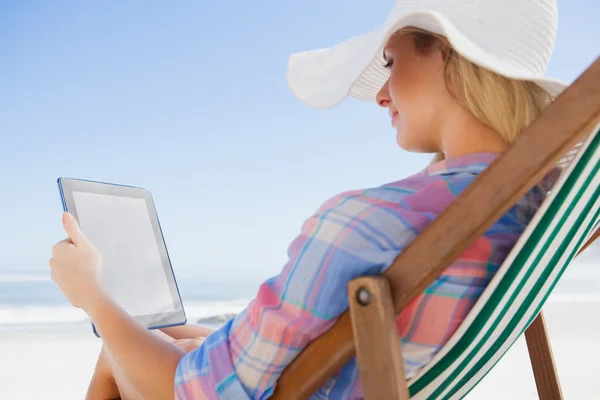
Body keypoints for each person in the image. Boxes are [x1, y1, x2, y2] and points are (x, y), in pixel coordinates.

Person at [48, 0, 566, 399]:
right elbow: (309, 347)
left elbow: (201, 393)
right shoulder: (525, 208)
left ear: (449, 57)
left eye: (390, 62)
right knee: (161, 339)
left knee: (114, 354)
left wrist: (94, 295)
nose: (382, 94)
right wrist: (151, 327)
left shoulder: (372, 223)